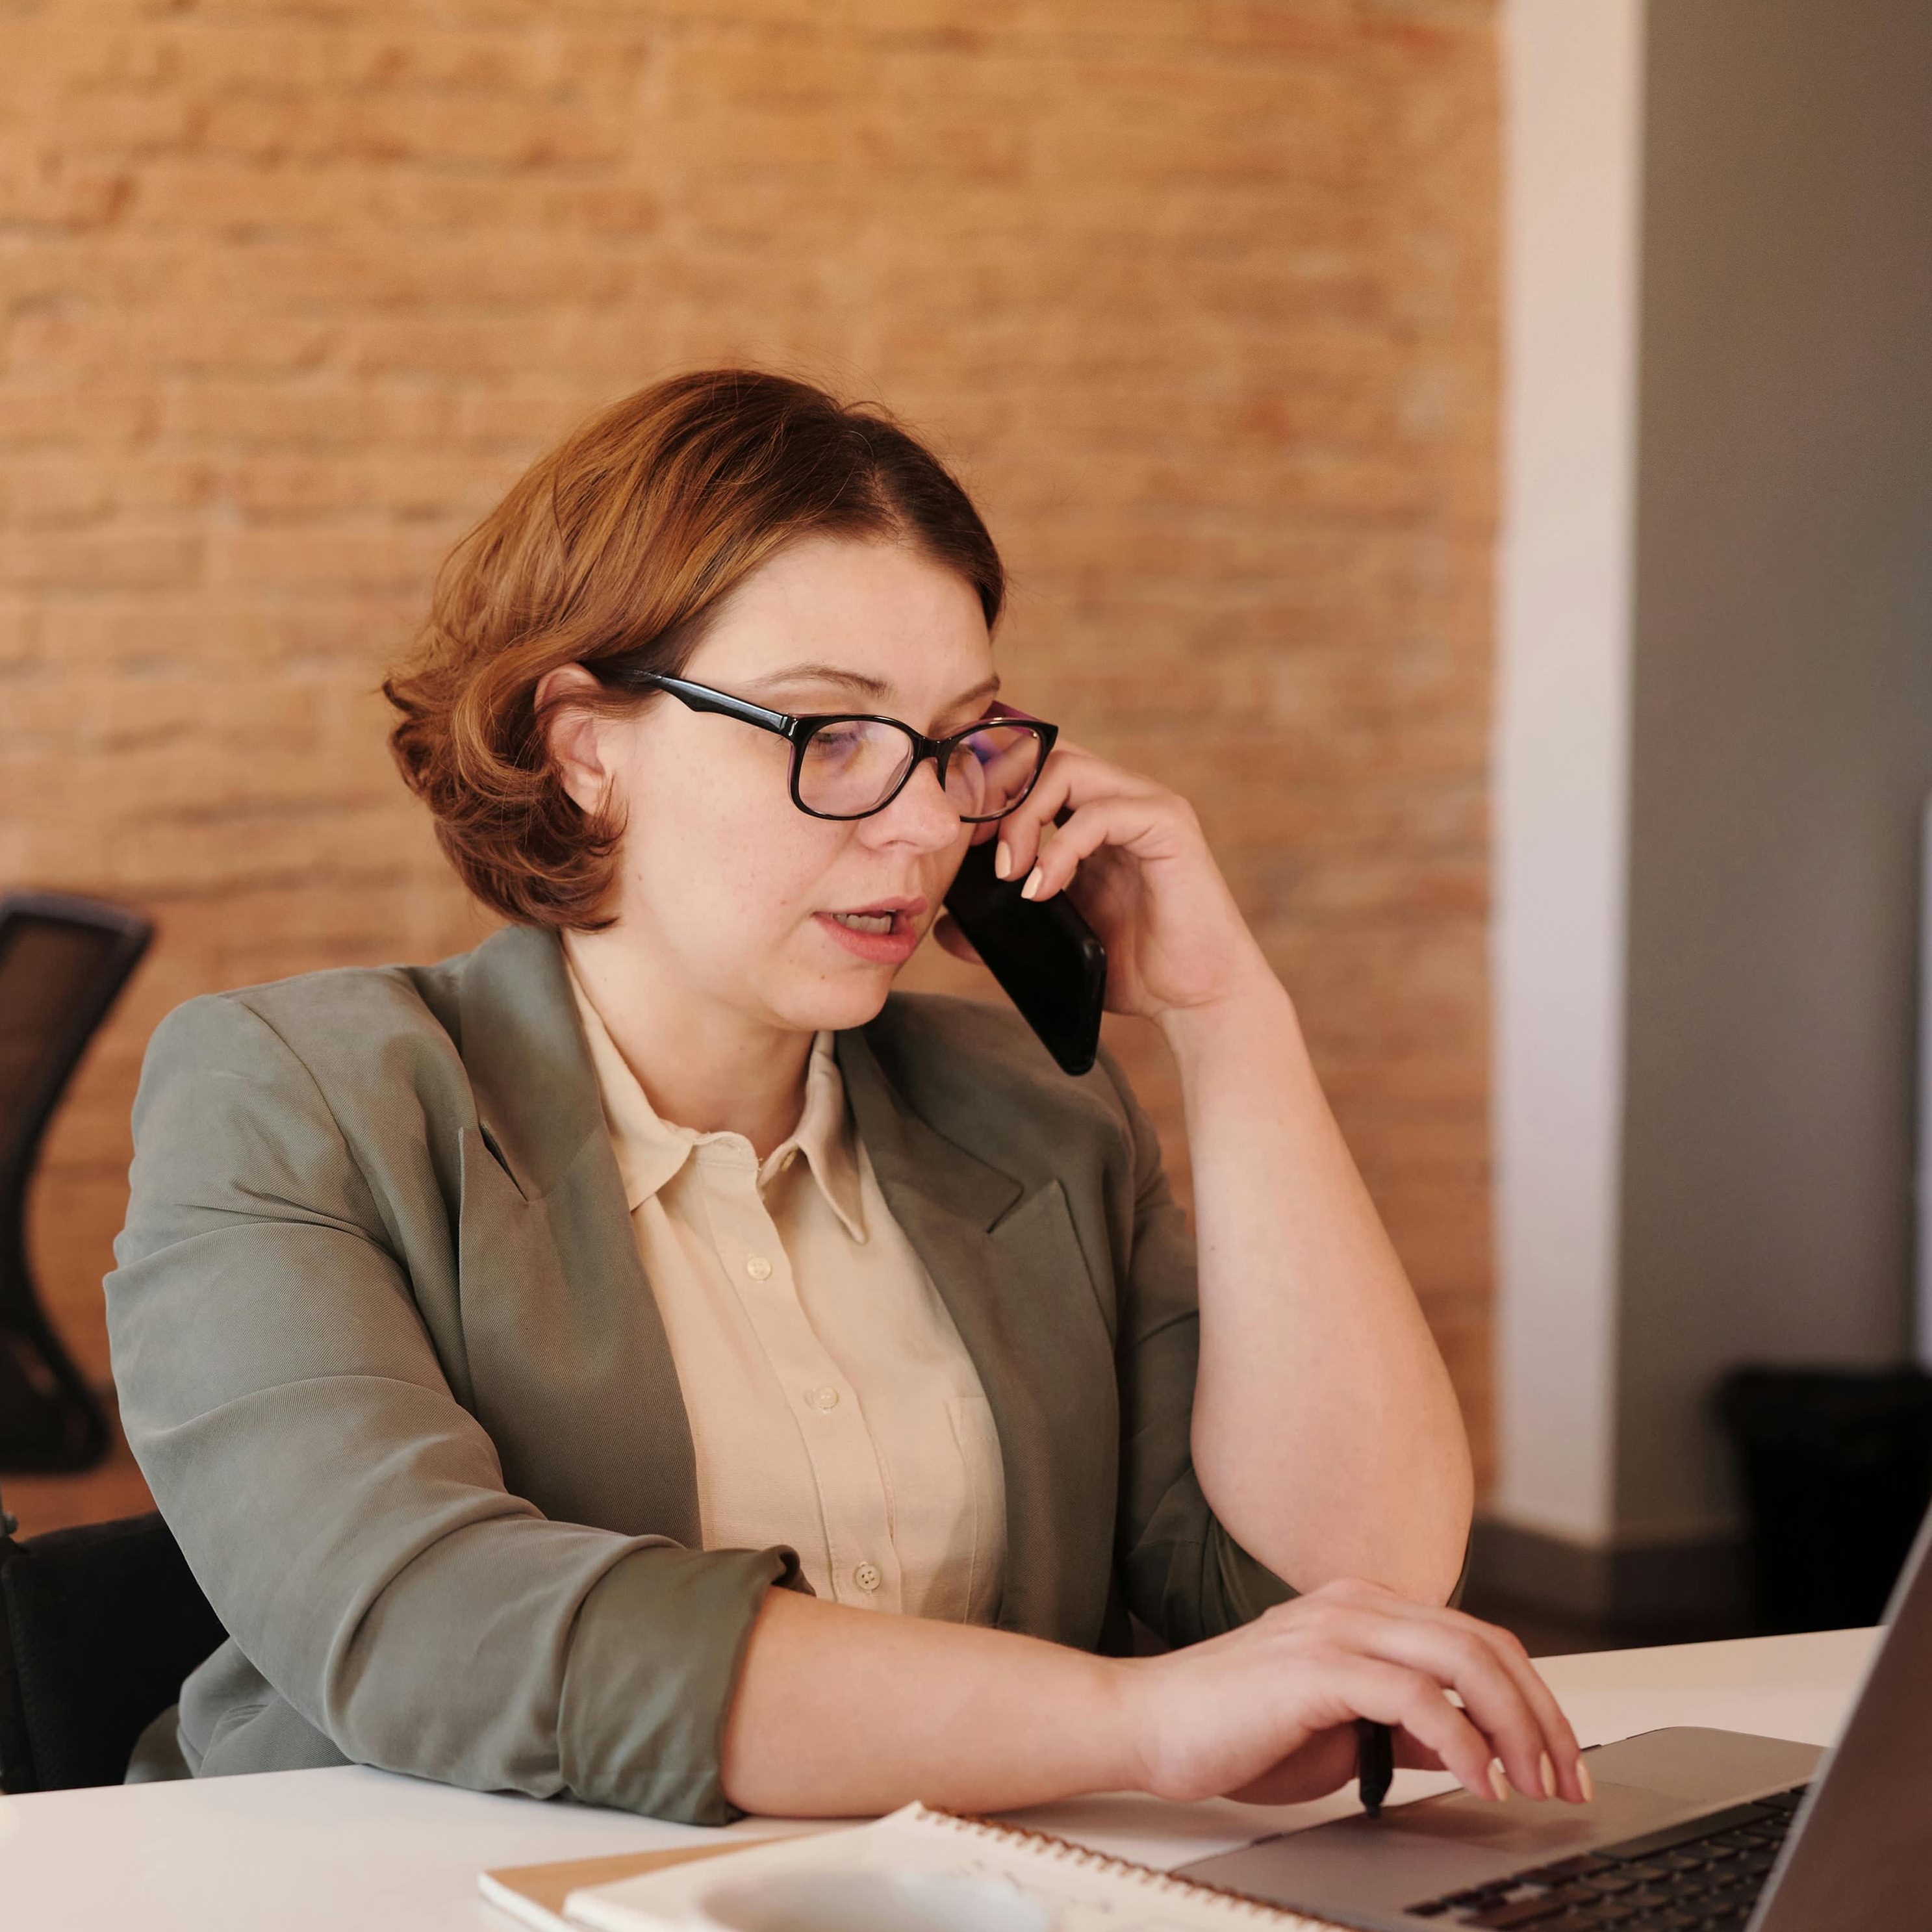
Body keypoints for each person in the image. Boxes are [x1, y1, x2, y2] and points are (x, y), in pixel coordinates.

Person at [107, 370, 1588, 1823]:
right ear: (585, 750)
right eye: (831, 734)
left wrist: (1224, 1015)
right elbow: (423, 1619)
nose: (929, 816)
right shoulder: (294, 1092)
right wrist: (1132, 1718)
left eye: (959, 741)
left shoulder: (1029, 1110)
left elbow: (1349, 1591)